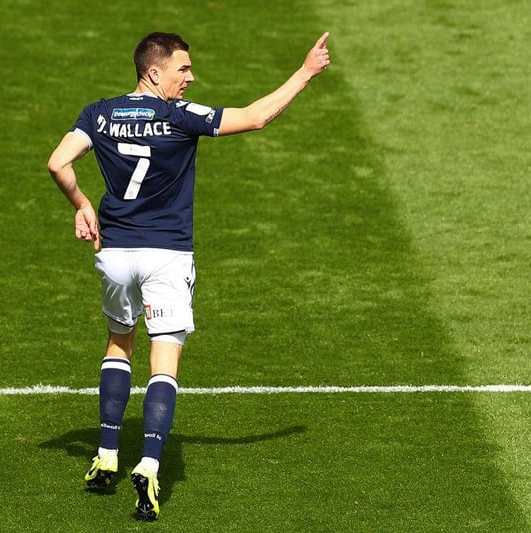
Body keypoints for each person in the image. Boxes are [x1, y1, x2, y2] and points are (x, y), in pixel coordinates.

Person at [47, 31, 331, 521]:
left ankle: (107, 455)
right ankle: (151, 466)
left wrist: (81, 204)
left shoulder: (98, 113)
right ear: (154, 72)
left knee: (119, 343)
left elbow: (57, 163)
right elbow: (256, 116)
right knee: (164, 362)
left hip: (114, 253)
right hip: (167, 256)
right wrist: (305, 72)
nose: (191, 77)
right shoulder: (179, 117)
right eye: (183, 68)